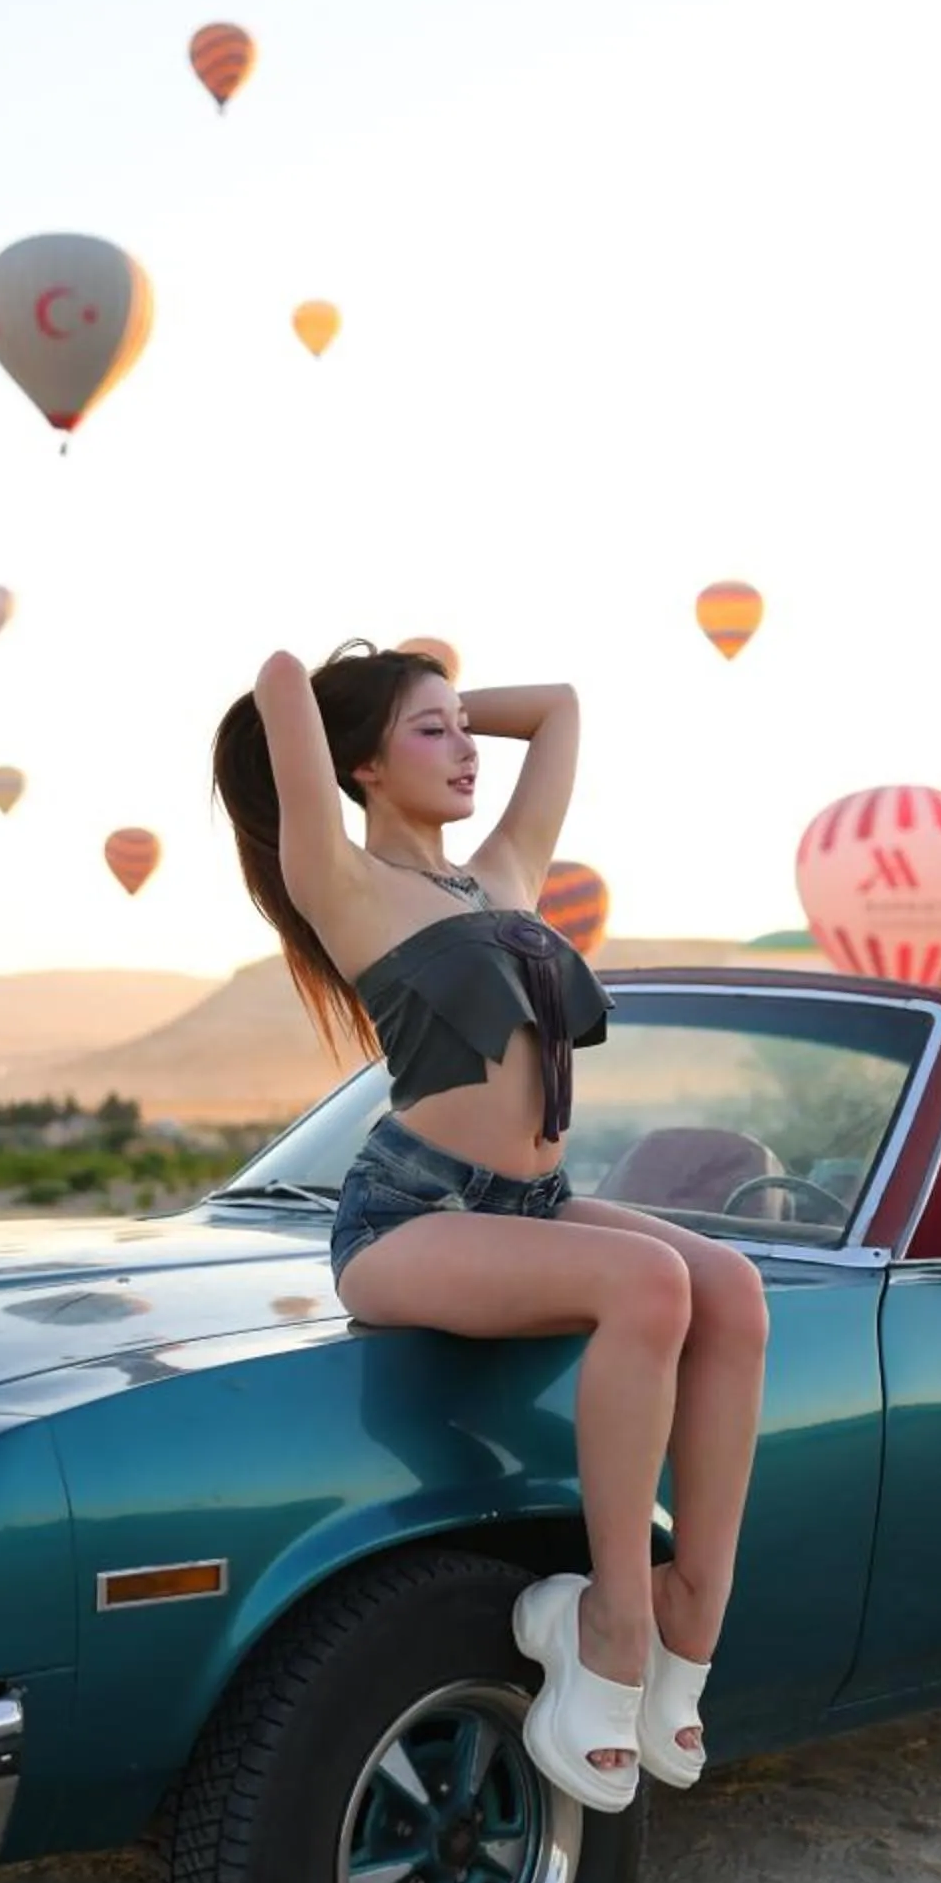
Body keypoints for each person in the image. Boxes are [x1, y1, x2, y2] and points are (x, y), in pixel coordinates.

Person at [211, 642, 770, 1814]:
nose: (468, 748)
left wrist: (446, 687)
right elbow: (276, 683)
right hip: (410, 1213)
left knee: (728, 1287)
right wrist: (371, 675)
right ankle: (606, 1618)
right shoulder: (343, 882)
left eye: (466, 728)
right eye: (433, 733)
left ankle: (687, 1619)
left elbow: (562, 709)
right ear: (360, 767)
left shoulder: (499, 880)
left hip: (527, 1204)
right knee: (647, 1288)